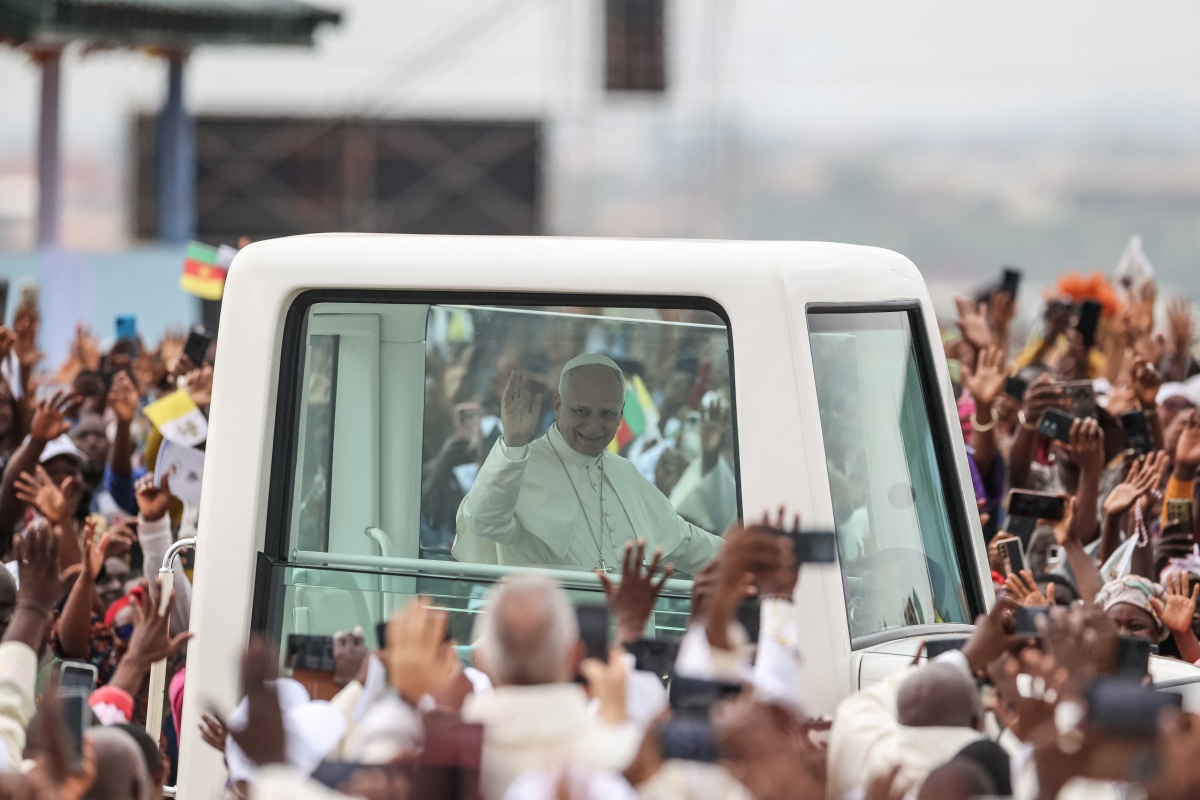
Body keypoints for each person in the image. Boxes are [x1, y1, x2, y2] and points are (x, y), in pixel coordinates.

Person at [453, 354, 724, 573]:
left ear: (620, 415)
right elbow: (484, 520)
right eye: (581, 411)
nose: (594, 426)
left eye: (606, 414)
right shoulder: (519, 463)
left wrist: (748, 559)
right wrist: (513, 443)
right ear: (558, 406)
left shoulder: (624, 472)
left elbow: (686, 543)